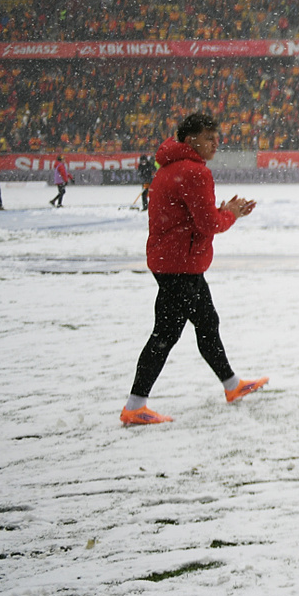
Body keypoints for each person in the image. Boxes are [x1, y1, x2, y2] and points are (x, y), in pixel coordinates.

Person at [120, 112, 268, 426]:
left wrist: (223, 211)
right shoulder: (194, 173)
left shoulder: (169, 167)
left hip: (172, 261)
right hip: (181, 265)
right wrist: (229, 215)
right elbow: (208, 224)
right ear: (191, 141)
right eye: (209, 137)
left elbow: (186, 218)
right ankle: (135, 405)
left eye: (218, 136)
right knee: (166, 334)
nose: (217, 143)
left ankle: (231, 385)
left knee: (206, 323)